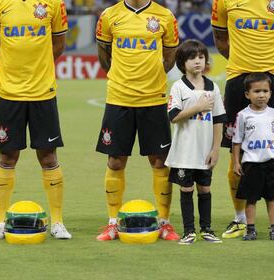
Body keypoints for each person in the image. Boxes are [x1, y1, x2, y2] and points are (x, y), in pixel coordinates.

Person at [0, 0, 72, 240]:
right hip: (9, 94)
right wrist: (13, 71)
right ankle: (1, 221)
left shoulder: (54, 4)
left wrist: (37, 67)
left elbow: (59, 44)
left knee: (48, 155)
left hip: (42, 92)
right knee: (7, 155)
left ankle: (57, 222)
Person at [95, 0, 180, 241]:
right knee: (115, 161)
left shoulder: (164, 16)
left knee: (160, 161)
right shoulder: (109, 16)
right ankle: (112, 222)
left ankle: (164, 222)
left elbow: (169, 57)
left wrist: (150, 78)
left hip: (153, 99)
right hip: (119, 98)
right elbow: (104, 55)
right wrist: (121, 79)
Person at [211, 0, 274, 238]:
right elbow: (221, 40)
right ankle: (240, 218)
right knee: (238, 151)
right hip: (238, 79)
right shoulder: (222, 1)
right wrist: (245, 66)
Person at [165, 39, 226, 244]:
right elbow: (173, 116)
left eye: (201, 57)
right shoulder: (178, 87)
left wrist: (216, 148)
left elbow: (218, 120)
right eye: (192, 58)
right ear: (182, 63)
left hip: (205, 150)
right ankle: (189, 231)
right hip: (184, 151)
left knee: (205, 189)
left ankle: (207, 229)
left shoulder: (213, 87)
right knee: (186, 189)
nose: (198, 61)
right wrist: (197, 107)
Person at [232, 72, 274, 241]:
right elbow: (237, 141)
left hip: (270, 163)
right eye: (257, 91)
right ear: (247, 95)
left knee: (272, 197)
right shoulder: (243, 115)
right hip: (251, 164)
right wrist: (236, 162)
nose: (261, 95)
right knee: (251, 198)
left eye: (265, 91)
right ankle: (250, 228)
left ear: (270, 93)